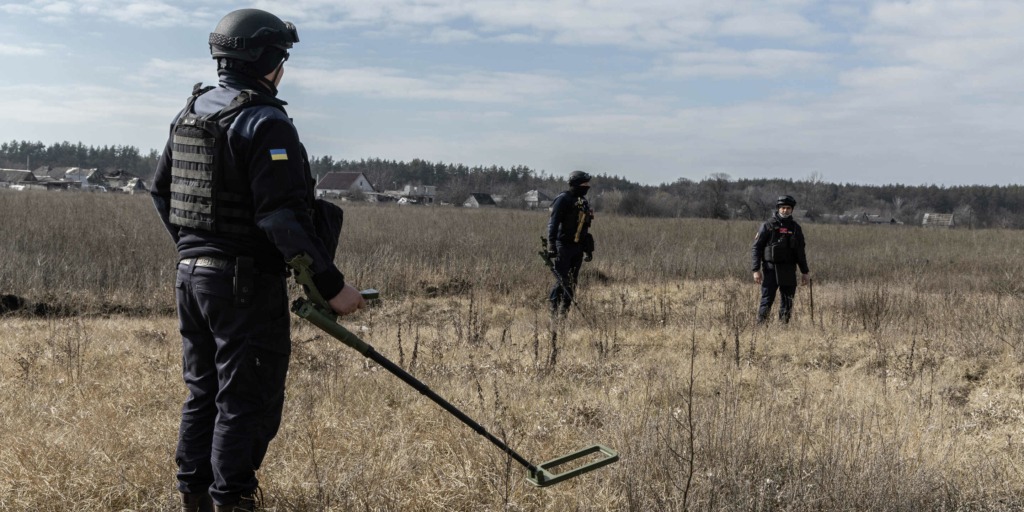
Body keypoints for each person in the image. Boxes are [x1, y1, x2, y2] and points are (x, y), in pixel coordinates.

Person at [150, 9, 364, 512]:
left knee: (204, 393)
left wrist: (193, 250)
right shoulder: (265, 122)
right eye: (282, 58)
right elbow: (281, 218)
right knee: (246, 402)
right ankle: (232, 501)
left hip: (191, 281)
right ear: (269, 60)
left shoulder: (191, 113)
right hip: (243, 285)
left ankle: (195, 498)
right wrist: (333, 287)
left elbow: (161, 191)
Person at [751, 195, 810, 324]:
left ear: (792, 210)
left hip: (789, 269)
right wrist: (756, 270)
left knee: (788, 300)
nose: (785, 210)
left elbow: (800, 252)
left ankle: (783, 327)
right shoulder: (767, 226)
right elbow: (756, 248)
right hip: (770, 269)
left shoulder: (795, 228)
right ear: (778, 209)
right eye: (782, 208)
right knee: (767, 299)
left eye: (788, 208)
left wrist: (805, 272)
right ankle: (761, 327)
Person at [546, 170, 595, 316]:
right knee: (563, 280)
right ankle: (553, 310)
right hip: (563, 245)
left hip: (577, 247)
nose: (587, 186)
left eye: (587, 183)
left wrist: (588, 249)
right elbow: (553, 223)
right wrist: (551, 244)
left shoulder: (583, 202)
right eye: (584, 183)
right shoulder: (563, 199)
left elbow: (585, 227)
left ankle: (564, 312)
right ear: (575, 184)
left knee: (573, 281)